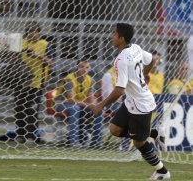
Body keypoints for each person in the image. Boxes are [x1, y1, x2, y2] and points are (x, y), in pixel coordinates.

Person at [90, 23, 170, 180]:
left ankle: (162, 171)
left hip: (141, 105)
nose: (111, 36)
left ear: (121, 38)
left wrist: (100, 105)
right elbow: (151, 60)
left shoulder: (121, 60)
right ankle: (154, 133)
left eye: (114, 34)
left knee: (138, 143)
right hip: (131, 101)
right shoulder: (136, 48)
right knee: (114, 130)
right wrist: (144, 76)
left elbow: (119, 89)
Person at [14, 22, 52, 143]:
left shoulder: (45, 44)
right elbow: (15, 58)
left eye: (34, 31)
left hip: (37, 82)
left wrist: (37, 56)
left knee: (31, 108)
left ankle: (31, 135)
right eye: (29, 31)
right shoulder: (23, 43)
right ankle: (20, 134)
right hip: (22, 80)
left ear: (39, 33)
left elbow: (51, 63)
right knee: (19, 107)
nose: (32, 33)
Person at [55, 60, 102, 148]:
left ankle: (96, 142)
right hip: (62, 104)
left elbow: (91, 97)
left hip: (80, 105)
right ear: (76, 68)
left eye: (87, 67)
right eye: (81, 67)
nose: (84, 69)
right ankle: (74, 141)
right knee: (75, 109)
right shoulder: (69, 79)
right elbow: (70, 100)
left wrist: (95, 105)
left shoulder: (89, 79)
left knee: (99, 109)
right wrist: (89, 105)